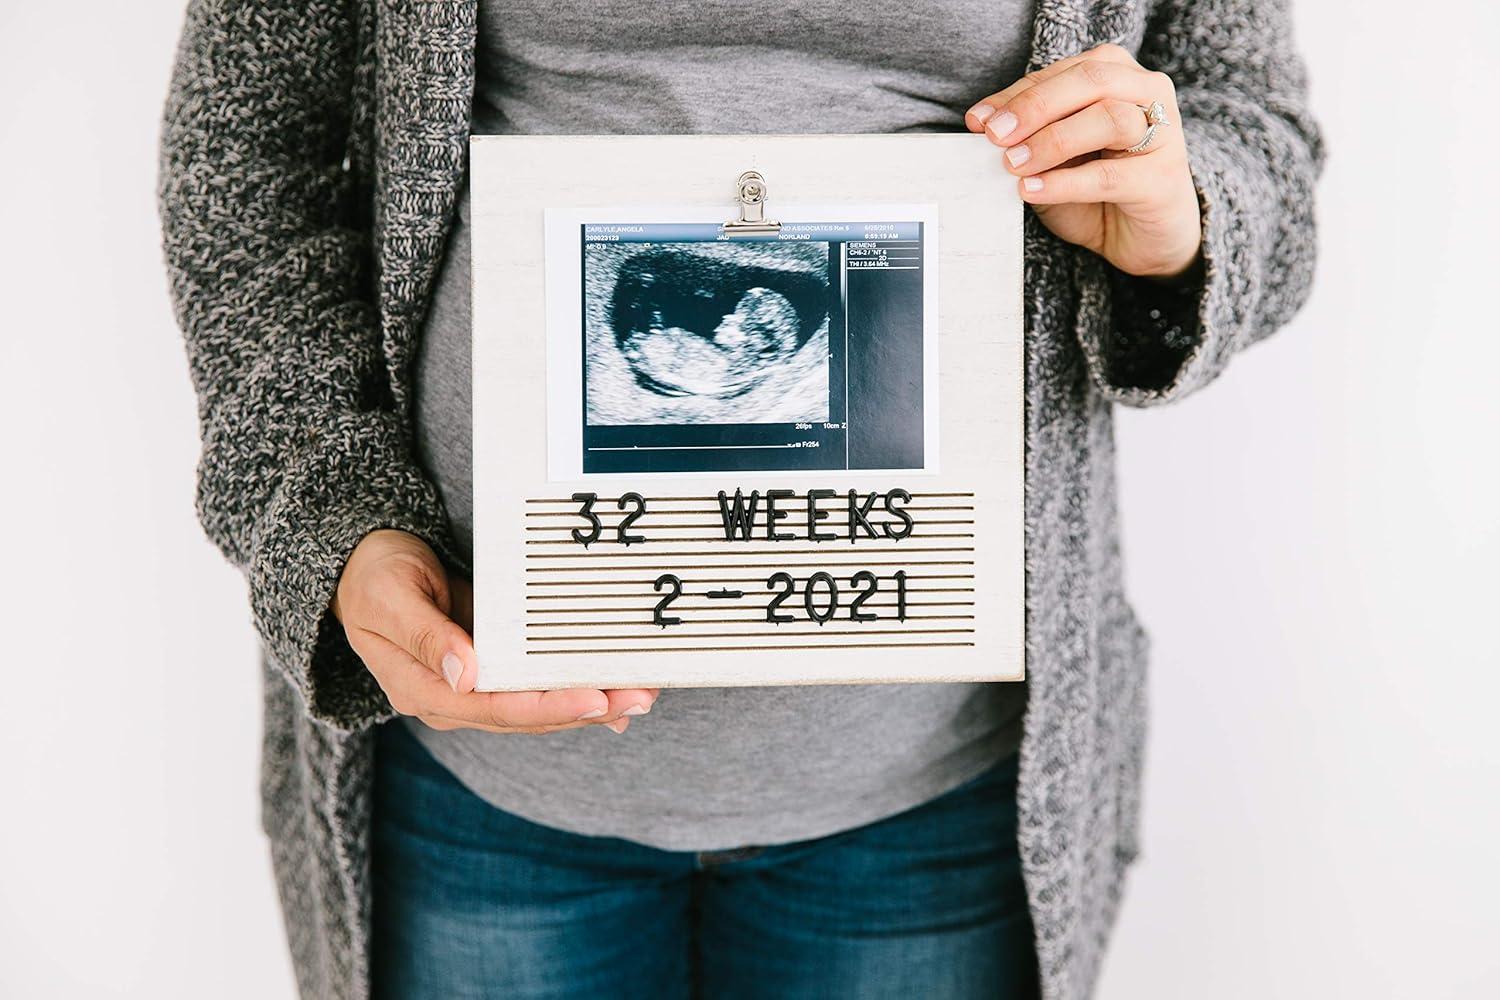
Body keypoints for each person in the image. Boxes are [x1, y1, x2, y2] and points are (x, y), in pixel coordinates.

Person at [157, 1, 1322, 997]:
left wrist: (1183, 213)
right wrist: (330, 513)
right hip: (475, 781)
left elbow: (1249, 126)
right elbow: (246, 153)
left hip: (938, 798)